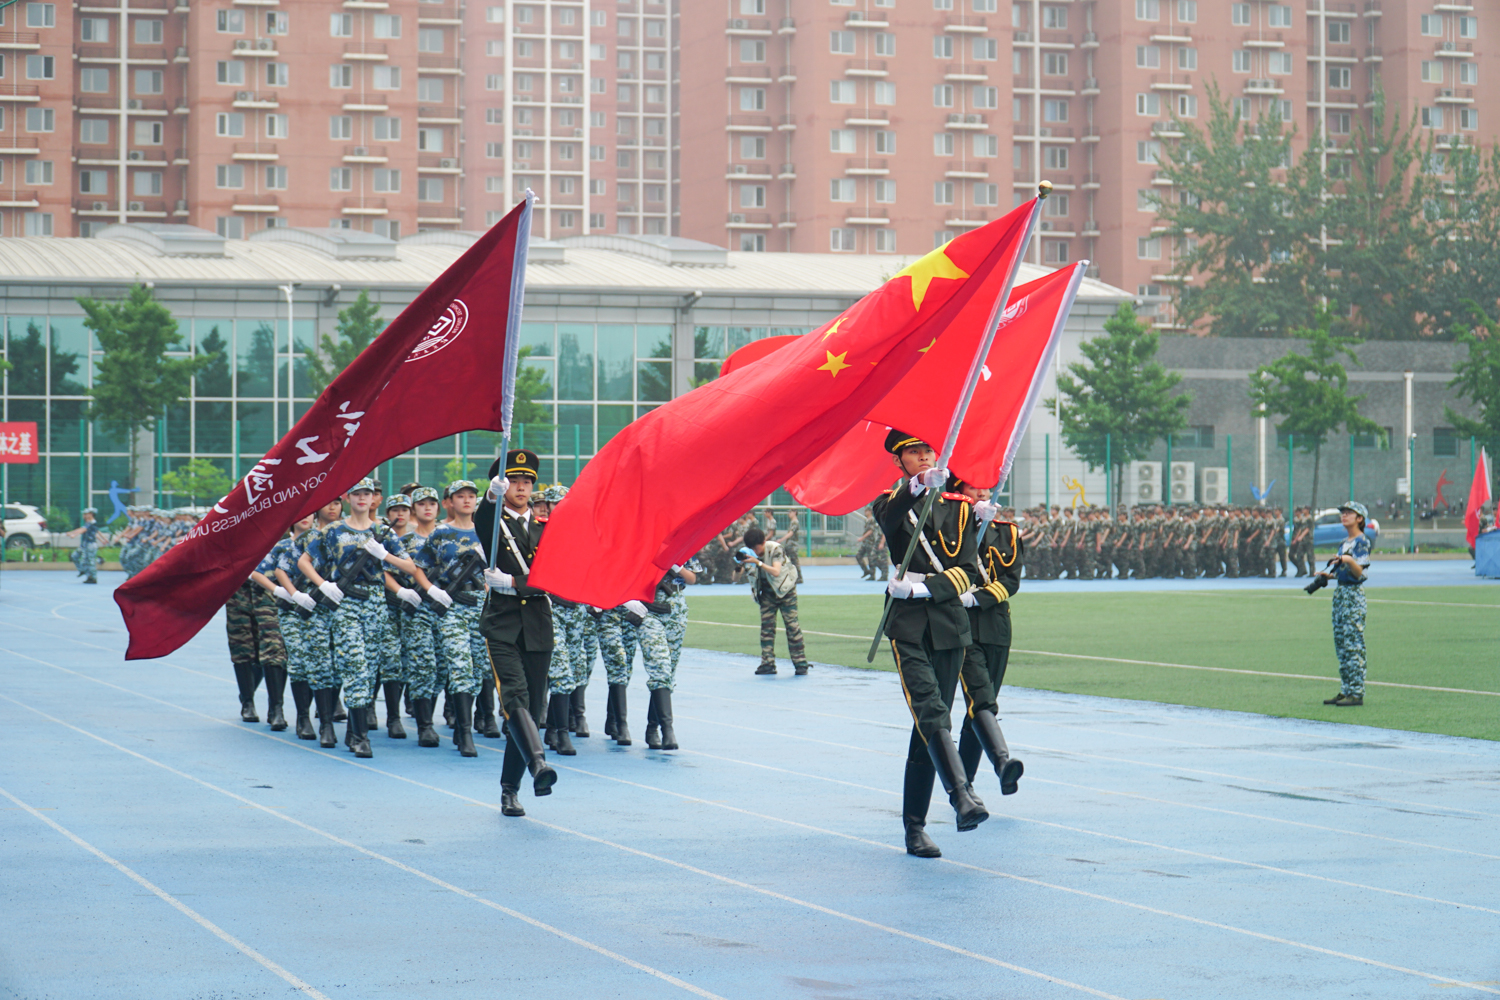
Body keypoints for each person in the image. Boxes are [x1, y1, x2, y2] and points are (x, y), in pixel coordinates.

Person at [873, 429, 1008, 859]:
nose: (923, 458)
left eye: (927, 451)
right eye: (913, 454)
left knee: (931, 725)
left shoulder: (959, 509)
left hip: (948, 620)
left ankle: (915, 826)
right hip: (908, 624)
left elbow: (967, 568)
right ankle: (961, 797)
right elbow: (892, 517)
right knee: (930, 711)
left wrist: (924, 589)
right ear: (899, 462)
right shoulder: (890, 501)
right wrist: (917, 486)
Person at [298, 478, 419, 758]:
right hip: (346, 603)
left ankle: (354, 731)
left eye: (368, 493)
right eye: (357, 494)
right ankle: (362, 737)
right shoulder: (333, 530)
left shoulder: (382, 531)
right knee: (354, 664)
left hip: (375, 602)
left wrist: (385, 555)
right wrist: (323, 584)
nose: (363, 498)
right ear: (348, 498)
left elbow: (411, 567)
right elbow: (304, 561)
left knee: (370, 666)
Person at [476, 450, 558, 817]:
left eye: (526, 482)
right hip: (503, 625)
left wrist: (512, 582)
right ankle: (536, 766)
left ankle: (513, 786)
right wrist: (490, 496)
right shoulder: (495, 523)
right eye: (514, 481)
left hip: (537, 624)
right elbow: (482, 518)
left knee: (532, 709)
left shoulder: (546, 528)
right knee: (514, 699)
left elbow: (553, 577)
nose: (521, 487)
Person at [952, 480, 1025, 799]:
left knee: (980, 708)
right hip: (961, 626)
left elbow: (1011, 580)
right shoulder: (949, 529)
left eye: (985, 487)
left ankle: (963, 785)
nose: (982, 493)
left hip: (995, 625)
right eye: (973, 488)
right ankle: (1002, 762)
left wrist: (978, 598)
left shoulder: (1007, 532)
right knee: (982, 700)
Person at [407, 480, 490, 757]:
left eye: (471, 496)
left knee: (478, 670)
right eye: (460, 496)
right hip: (452, 607)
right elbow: (419, 567)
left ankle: (460, 726)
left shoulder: (487, 532)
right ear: (450, 502)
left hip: (480, 606)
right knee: (460, 666)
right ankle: (465, 732)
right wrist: (432, 590)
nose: (466, 500)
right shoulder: (441, 533)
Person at [397, 486, 444, 747]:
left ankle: (427, 714)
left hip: (445, 609)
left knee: (443, 669)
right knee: (422, 665)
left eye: (432, 503)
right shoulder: (404, 541)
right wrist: (402, 592)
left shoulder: (447, 536)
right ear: (413, 509)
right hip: (417, 610)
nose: (427, 508)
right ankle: (425, 725)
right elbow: (386, 571)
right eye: (422, 504)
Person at [270, 514, 321, 739]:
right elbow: (262, 570)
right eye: (302, 513)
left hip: (319, 608)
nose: (306, 517)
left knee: (318, 661)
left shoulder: (323, 540)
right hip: (292, 609)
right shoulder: (284, 546)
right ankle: (303, 717)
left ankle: (322, 715)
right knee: (299, 659)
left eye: (310, 513)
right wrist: (282, 590)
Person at [1319, 501, 1372, 708]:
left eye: (1349, 513)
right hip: (1341, 593)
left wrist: (1348, 560)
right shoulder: (1344, 543)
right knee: (1341, 642)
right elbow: (1343, 572)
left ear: (1359, 518)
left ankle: (1356, 692)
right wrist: (1329, 575)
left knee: (1353, 643)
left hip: (1353, 595)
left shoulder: (1361, 542)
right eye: (1343, 512)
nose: (1344, 516)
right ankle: (1346, 689)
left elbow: (1359, 573)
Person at [742, 526, 812, 676]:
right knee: (766, 629)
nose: (755, 551)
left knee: (792, 627)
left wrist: (758, 562)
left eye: (756, 548)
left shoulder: (775, 549)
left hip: (786, 591)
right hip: (767, 593)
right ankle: (767, 663)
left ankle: (801, 663)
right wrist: (738, 566)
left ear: (763, 542)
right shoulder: (749, 555)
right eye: (752, 549)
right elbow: (735, 578)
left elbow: (776, 571)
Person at [65, 507, 108, 584]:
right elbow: (95, 532)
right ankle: (85, 572)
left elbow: (83, 530)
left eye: (86, 514)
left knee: (90, 561)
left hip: (90, 544)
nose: (84, 515)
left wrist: (73, 534)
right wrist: (103, 539)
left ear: (91, 514)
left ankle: (92, 577)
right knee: (77, 557)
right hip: (85, 544)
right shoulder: (88, 523)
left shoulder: (92, 523)